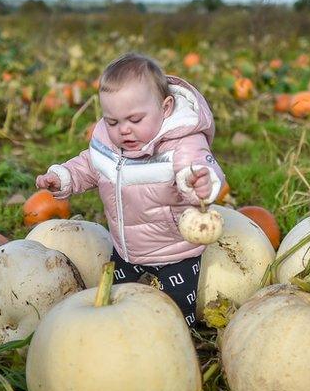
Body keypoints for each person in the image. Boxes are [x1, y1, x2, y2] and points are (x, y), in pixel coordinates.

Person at [35, 52, 225, 326]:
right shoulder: (107, 139)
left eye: (134, 120)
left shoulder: (182, 141)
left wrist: (200, 182)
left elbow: (197, 166)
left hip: (175, 252)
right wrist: (64, 176)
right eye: (113, 121)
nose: (123, 130)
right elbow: (90, 163)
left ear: (166, 107)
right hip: (126, 249)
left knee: (177, 314)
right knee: (113, 305)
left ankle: (176, 347)